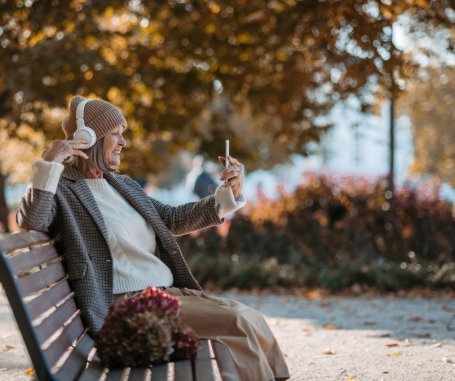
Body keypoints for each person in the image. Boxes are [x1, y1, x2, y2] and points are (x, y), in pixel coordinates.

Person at [16, 96, 290, 381]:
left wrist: (228, 195)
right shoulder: (63, 188)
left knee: (250, 318)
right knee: (238, 321)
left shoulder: (122, 185)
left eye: (123, 133)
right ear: (88, 138)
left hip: (164, 296)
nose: (124, 142)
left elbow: (172, 219)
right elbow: (31, 220)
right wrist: (49, 165)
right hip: (130, 308)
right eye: (115, 133)